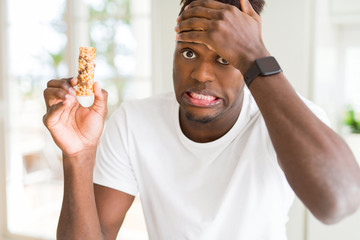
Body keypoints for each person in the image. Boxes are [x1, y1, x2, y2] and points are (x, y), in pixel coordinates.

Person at [43, 0, 360, 239]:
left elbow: (339, 203)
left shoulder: (287, 121)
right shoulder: (134, 122)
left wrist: (257, 59)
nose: (200, 74)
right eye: (189, 53)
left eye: (225, 58)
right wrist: (79, 156)